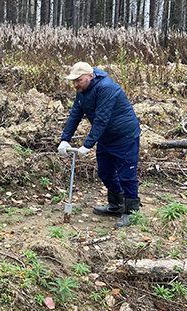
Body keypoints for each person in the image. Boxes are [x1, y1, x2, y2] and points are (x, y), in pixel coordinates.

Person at [57, 62, 141, 227]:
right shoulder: (82, 91)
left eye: (78, 80)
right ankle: (116, 204)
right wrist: (65, 139)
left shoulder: (106, 88)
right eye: (73, 81)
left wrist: (87, 144)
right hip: (106, 138)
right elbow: (75, 114)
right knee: (105, 172)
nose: (75, 85)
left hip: (124, 136)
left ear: (90, 76)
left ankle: (131, 212)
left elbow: (102, 119)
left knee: (126, 176)